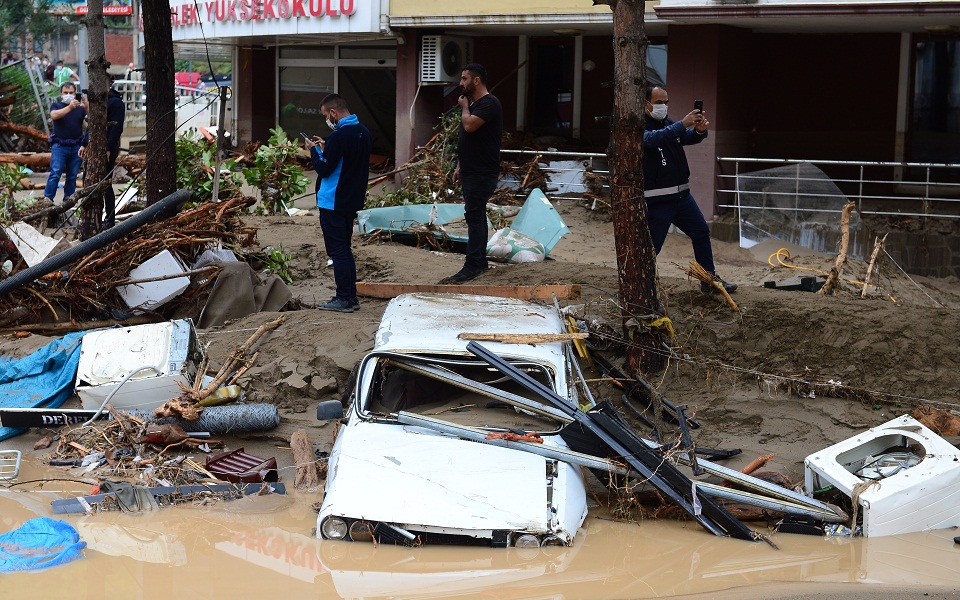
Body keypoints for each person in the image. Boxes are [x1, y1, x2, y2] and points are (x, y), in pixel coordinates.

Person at [643, 86, 737, 293]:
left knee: (701, 232)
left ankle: (708, 280)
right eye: (659, 102)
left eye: (666, 102)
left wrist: (698, 131)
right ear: (645, 103)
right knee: (652, 248)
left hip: (682, 197)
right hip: (658, 201)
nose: (664, 106)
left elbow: (684, 137)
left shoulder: (667, 124)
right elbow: (650, 140)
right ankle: (641, 286)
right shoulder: (638, 126)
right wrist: (681, 125)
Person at [305, 94, 372, 313]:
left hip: (333, 201)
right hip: (351, 200)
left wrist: (314, 150)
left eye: (326, 115)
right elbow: (345, 160)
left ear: (333, 113)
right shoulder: (363, 132)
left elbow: (324, 168)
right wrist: (327, 148)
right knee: (345, 249)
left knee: (338, 251)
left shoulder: (339, 136)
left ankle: (344, 298)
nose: (327, 120)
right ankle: (350, 297)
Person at [446, 62, 502, 283]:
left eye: (464, 79)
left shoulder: (489, 103)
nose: (461, 83)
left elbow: (469, 126)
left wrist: (464, 107)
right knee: (473, 214)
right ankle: (478, 262)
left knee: (475, 215)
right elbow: (468, 140)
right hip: (471, 170)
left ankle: (474, 264)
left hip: (482, 171)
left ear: (476, 80)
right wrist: (460, 165)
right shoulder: (477, 104)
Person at [79, 83, 125, 230]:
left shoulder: (116, 103)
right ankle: (87, 219)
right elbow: (91, 125)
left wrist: (108, 148)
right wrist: (84, 144)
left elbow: (117, 128)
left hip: (107, 149)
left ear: (107, 85)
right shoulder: (97, 101)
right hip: (93, 148)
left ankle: (109, 219)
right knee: (88, 180)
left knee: (106, 185)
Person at [44, 82, 87, 205]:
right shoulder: (56, 105)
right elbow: (54, 115)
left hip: (76, 145)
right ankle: (48, 199)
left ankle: (68, 200)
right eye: (66, 93)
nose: (68, 95)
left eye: (71, 93)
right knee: (55, 173)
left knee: (72, 175)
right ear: (61, 94)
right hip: (59, 145)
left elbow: (89, 122)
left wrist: (87, 107)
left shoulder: (80, 109)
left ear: (75, 93)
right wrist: (70, 107)